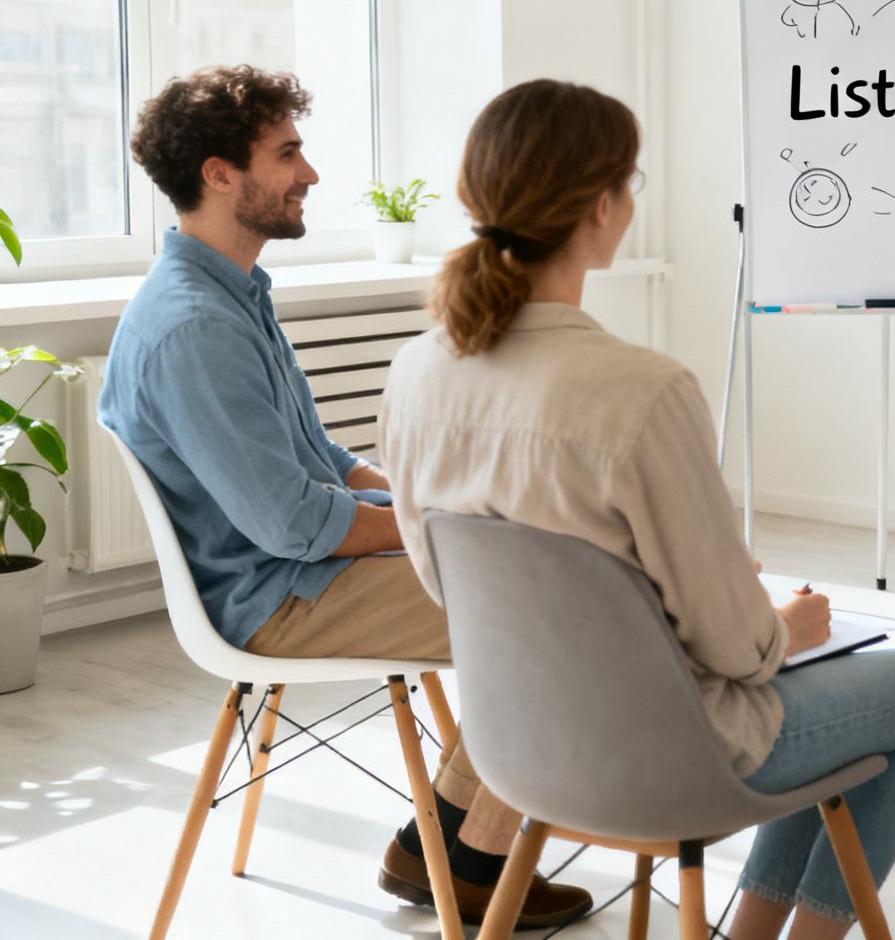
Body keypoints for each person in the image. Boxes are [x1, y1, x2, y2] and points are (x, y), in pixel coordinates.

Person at [381, 79, 895, 940]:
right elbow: (733, 648)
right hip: (670, 758)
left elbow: (451, 584)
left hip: (518, 750)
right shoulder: (641, 392)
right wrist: (786, 629)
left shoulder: (416, 372)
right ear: (602, 206)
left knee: (825, 695)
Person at [98, 65, 592, 928]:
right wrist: (439, 527)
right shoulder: (196, 325)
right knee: (563, 608)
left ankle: (442, 846)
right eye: (287, 153)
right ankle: (465, 857)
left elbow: (318, 456)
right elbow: (295, 522)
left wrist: (435, 502)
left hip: (294, 570)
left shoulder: (231, 291)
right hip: (278, 599)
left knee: (542, 571)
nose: (311, 174)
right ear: (219, 174)